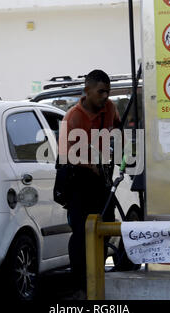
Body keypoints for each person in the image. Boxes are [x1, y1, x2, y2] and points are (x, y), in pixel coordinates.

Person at [58, 69, 121, 298]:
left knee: (105, 226)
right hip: (79, 182)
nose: (105, 96)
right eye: (100, 91)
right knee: (81, 234)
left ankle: (98, 277)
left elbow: (117, 126)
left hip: (102, 180)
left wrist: (114, 143)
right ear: (87, 91)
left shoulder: (110, 108)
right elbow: (65, 155)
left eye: (108, 91)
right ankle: (81, 286)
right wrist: (90, 164)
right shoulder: (73, 117)